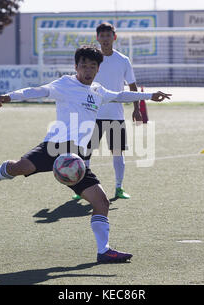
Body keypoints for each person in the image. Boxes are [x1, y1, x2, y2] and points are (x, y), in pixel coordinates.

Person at [0, 46, 171, 264]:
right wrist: (10, 96)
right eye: (83, 66)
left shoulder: (98, 91)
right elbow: (37, 90)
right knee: (17, 168)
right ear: (76, 67)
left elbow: (120, 95)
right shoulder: (64, 84)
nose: (87, 71)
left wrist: (149, 95)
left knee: (101, 202)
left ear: (98, 69)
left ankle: (104, 251)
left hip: (76, 159)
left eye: (92, 67)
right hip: (54, 147)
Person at [72, 23, 141, 201]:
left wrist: (137, 108)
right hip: (91, 114)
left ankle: (118, 187)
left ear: (114, 37)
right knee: (85, 153)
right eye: (101, 35)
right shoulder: (90, 60)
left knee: (117, 152)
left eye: (108, 35)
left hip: (115, 115)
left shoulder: (123, 60)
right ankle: (82, 188)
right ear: (97, 38)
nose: (105, 39)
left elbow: (132, 85)